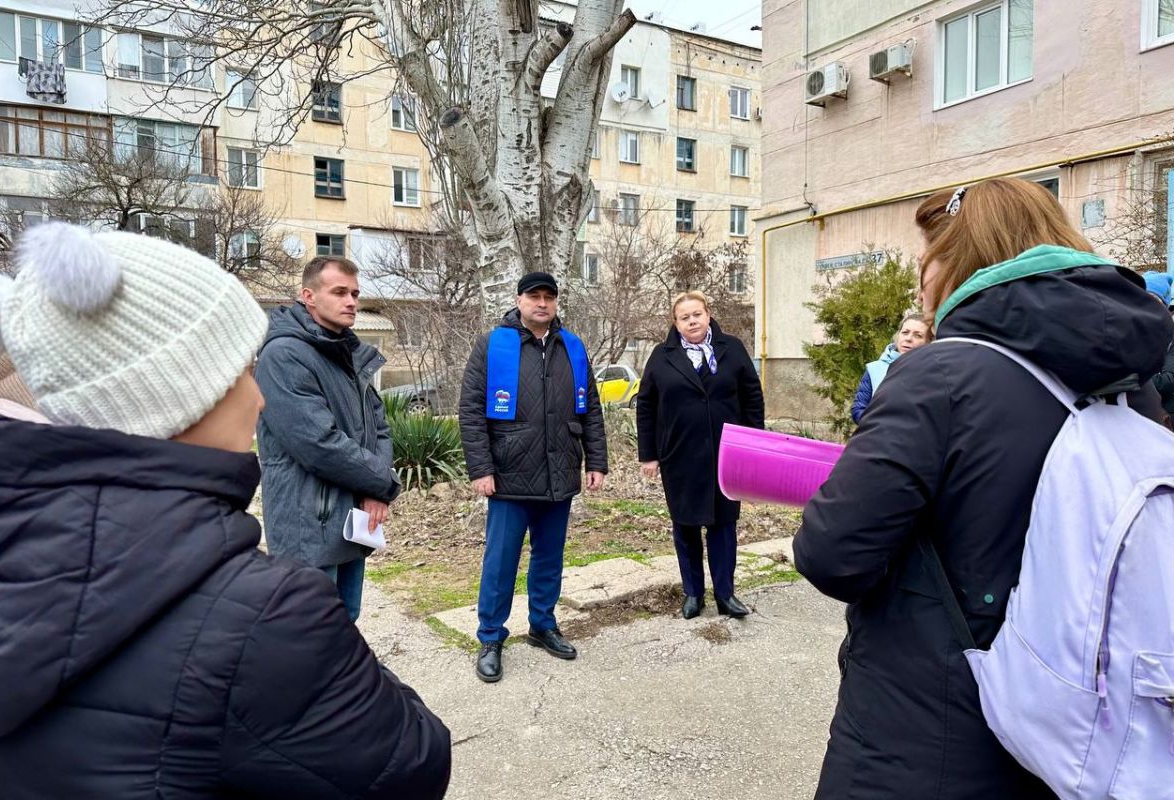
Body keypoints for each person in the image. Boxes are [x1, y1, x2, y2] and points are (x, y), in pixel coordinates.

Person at [0, 224, 451, 799]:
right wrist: (335, 659)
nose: (258, 396)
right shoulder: (266, 614)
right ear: (178, 389)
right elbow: (412, 764)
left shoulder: (2, 539)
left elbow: (373, 422)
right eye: (240, 372)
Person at [793, 178, 1171, 800]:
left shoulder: (940, 376)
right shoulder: (1131, 388)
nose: (922, 283)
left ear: (963, 258)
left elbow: (831, 555)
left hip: (929, 733)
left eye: (927, 261)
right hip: (1079, 735)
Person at [459, 271, 609, 683]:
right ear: (520, 300)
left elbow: (590, 410)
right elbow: (471, 411)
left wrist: (596, 461)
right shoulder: (494, 345)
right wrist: (481, 468)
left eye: (549, 297)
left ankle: (543, 624)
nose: (541, 303)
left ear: (556, 302)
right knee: (501, 560)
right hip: (509, 476)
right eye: (534, 296)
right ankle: (491, 637)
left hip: (558, 471)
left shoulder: (571, 346)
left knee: (549, 557)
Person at [255, 255, 400, 623]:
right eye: (339, 292)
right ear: (309, 296)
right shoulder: (284, 355)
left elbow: (378, 427)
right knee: (309, 632)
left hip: (350, 517)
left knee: (345, 623)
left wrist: (374, 489)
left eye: (355, 293)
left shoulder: (346, 353)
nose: (351, 301)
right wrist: (381, 482)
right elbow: (318, 444)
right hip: (308, 523)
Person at [636, 291, 765, 620]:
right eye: (685, 317)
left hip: (727, 455)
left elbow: (752, 398)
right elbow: (647, 406)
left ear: (708, 315)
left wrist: (754, 446)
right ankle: (693, 593)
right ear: (675, 323)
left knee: (724, 525)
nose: (692, 321)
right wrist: (649, 455)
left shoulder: (731, 349)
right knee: (686, 525)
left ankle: (726, 594)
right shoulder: (662, 356)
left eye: (697, 314)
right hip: (680, 455)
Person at [850, 312, 931, 424]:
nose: (908, 338)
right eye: (905, 332)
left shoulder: (933, 373)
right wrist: (878, 425)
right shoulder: (874, 370)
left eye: (918, 335)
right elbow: (858, 409)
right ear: (898, 336)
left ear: (929, 342)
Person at [1143, 271, 1174, 424]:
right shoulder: (1131, 334)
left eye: (1153, 300)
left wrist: (1130, 377)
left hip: (1165, 421)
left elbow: (1168, 381)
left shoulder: (1171, 337)